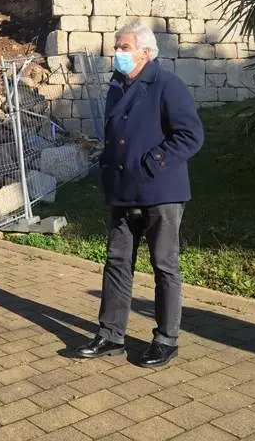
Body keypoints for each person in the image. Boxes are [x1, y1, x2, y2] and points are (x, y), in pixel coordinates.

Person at [76, 20, 204, 368]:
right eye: (116, 47)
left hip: (160, 191)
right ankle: (111, 334)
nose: (117, 54)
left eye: (124, 48)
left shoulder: (167, 85)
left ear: (146, 53)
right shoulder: (117, 85)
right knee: (117, 263)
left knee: (164, 265)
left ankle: (166, 339)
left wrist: (152, 163)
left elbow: (190, 135)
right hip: (122, 190)